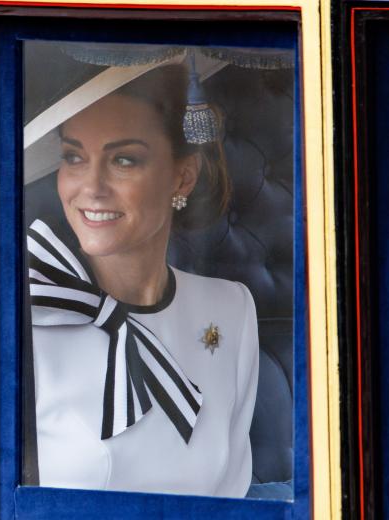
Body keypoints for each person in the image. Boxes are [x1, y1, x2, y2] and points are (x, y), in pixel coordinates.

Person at [26, 63, 259, 498]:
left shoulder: (231, 309)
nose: (91, 187)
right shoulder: (28, 311)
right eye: (74, 157)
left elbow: (231, 495)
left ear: (182, 176)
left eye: (123, 160)